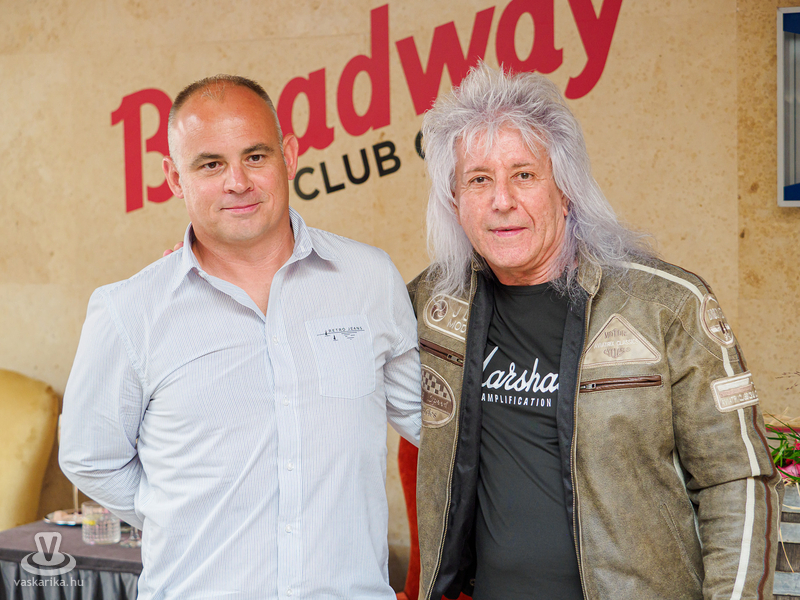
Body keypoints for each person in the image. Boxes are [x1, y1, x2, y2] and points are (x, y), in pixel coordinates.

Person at [408, 63, 782, 600]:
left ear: (567, 191)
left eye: (524, 175)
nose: (501, 200)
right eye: (479, 179)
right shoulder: (432, 306)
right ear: (455, 201)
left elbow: (736, 479)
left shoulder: (664, 305)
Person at [59, 75, 422, 600]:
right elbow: (90, 458)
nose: (237, 182)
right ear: (174, 178)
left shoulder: (368, 279)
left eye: (255, 156)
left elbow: (430, 422)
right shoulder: (129, 311)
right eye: (210, 165)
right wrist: (182, 509)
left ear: (289, 156)